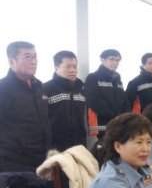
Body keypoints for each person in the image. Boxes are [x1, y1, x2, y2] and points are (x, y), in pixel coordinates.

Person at [0, 41, 51, 172]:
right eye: (27, 57)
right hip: (13, 163)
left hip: (42, 160)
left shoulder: (39, 87)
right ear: (12, 62)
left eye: (35, 57)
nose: (34, 61)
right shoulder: (3, 89)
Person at [42, 50, 87, 151]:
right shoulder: (45, 89)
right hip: (56, 147)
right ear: (56, 67)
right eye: (68, 67)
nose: (73, 70)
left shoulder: (81, 88)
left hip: (79, 145)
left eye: (75, 67)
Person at [85, 49, 130, 138]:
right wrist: (114, 116)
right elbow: (93, 100)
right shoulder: (93, 78)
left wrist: (124, 116)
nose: (115, 63)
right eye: (111, 59)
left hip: (120, 124)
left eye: (117, 60)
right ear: (102, 60)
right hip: (104, 126)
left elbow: (124, 99)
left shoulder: (118, 79)